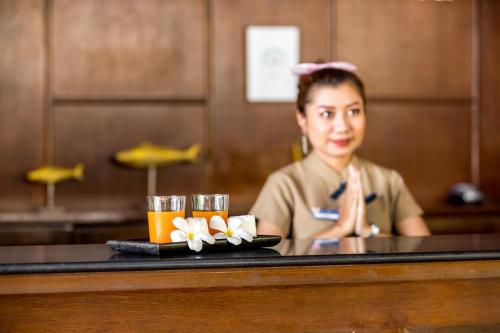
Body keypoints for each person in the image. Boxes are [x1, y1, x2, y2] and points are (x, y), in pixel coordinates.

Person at [249, 61, 430, 239]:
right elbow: (267, 262)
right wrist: (340, 229)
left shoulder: (388, 181)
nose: (342, 126)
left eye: (353, 111)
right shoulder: (284, 184)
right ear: (302, 119)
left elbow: (425, 252)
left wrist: (368, 231)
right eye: (327, 113)